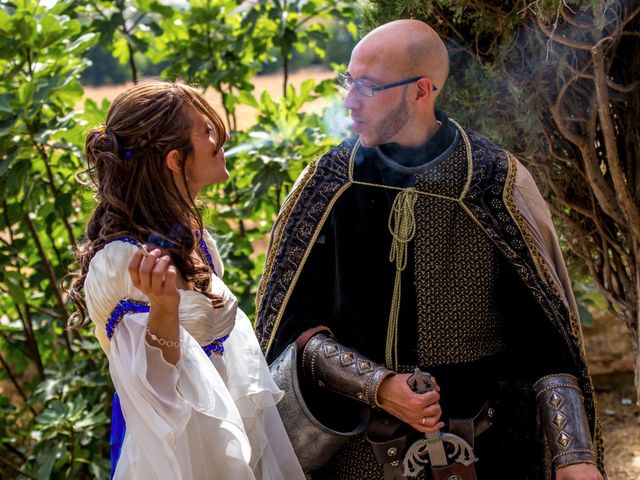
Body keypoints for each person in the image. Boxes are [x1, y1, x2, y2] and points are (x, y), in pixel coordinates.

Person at [255, 19, 606, 480]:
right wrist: (378, 386)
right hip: (360, 458)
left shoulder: (492, 182)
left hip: (491, 453)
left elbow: (544, 340)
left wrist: (573, 457)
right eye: (348, 81)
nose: (349, 100)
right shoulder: (329, 185)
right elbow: (290, 330)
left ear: (421, 90)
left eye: (367, 86)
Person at [68, 80, 305, 480]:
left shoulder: (195, 240)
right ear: (175, 160)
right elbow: (151, 389)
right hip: (176, 457)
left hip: (233, 436)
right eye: (207, 130)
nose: (221, 137)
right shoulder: (121, 262)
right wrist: (163, 309)